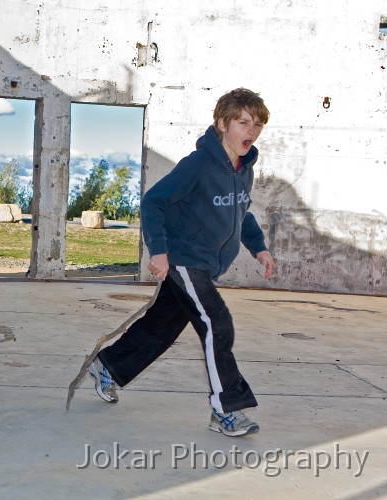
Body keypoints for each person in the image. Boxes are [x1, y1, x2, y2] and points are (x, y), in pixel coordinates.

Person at [88, 88, 276, 436]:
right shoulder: (199, 165)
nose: (251, 131)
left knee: (162, 326)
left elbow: (240, 213)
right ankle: (226, 411)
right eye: (243, 122)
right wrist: (157, 251)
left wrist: (258, 248)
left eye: (258, 124)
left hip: (205, 263)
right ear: (221, 123)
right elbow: (153, 202)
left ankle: (108, 367)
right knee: (216, 323)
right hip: (186, 259)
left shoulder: (243, 169)